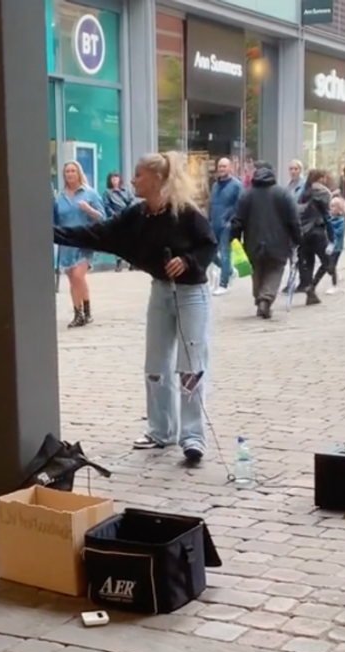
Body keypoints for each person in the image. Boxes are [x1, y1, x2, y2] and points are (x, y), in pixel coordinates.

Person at [53, 152, 217, 465]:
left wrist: (187, 261)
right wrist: (53, 233)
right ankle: (161, 431)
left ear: (157, 179)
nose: (132, 181)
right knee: (155, 364)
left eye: (138, 175)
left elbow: (209, 244)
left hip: (191, 294)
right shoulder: (137, 214)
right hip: (160, 291)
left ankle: (193, 437)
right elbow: (101, 233)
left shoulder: (185, 213)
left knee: (190, 365)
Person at [230, 161, 302, 319]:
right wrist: (297, 239)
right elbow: (293, 220)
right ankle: (266, 298)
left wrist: (234, 239)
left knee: (257, 271)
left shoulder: (247, 194)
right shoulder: (283, 194)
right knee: (275, 270)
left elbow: (238, 220)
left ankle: (259, 299)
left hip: (252, 242)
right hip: (279, 242)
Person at [54, 161, 106, 328]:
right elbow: (56, 220)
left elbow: (102, 217)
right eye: (67, 171)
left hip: (85, 240)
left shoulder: (90, 194)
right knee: (73, 280)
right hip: (67, 243)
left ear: (79, 173)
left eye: (73, 171)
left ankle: (84, 312)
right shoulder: (59, 198)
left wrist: (88, 210)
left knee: (78, 276)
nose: (70, 174)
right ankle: (80, 313)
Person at [296, 169, 333, 306]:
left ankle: (308, 289)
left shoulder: (303, 193)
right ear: (320, 178)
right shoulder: (322, 194)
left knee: (307, 262)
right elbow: (327, 216)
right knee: (328, 261)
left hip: (303, 233)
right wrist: (332, 236)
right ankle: (312, 286)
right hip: (317, 231)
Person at [208, 158, 243, 295]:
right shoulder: (215, 186)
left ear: (230, 168)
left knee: (224, 254)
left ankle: (224, 283)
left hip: (227, 224)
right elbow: (211, 204)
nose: (221, 169)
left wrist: (232, 221)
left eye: (224, 166)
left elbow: (240, 205)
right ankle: (229, 270)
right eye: (220, 166)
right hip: (214, 223)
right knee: (209, 252)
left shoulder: (236, 185)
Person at [104, 172, 136, 271]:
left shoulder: (125, 191)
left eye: (116, 178)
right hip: (116, 217)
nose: (114, 181)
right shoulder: (107, 193)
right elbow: (106, 206)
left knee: (130, 240)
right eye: (112, 179)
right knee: (118, 241)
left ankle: (131, 262)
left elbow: (132, 201)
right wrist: (114, 215)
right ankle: (119, 262)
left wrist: (129, 212)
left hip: (127, 217)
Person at [324, 196, 345, 294]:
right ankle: (336, 275)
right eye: (330, 206)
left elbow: (339, 232)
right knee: (329, 266)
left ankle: (334, 285)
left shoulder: (341, 220)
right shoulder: (329, 218)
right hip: (329, 246)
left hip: (337, 247)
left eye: (333, 207)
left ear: (339, 209)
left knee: (331, 266)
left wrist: (329, 229)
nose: (331, 209)